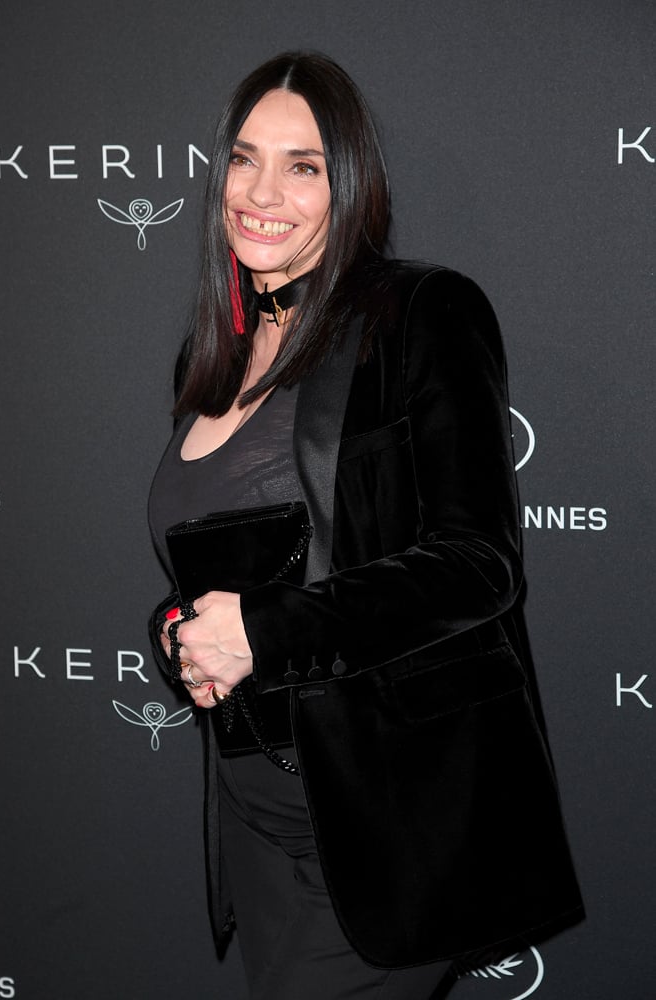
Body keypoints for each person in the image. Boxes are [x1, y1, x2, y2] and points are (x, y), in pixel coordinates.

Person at [148, 51, 583, 1000]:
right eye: (244, 158)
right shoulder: (210, 350)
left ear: (349, 184)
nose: (263, 192)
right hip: (255, 819)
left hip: (373, 823)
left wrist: (262, 630)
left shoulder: (416, 314)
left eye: (303, 166)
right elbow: (231, 561)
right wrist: (182, 636)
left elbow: (475, 563)